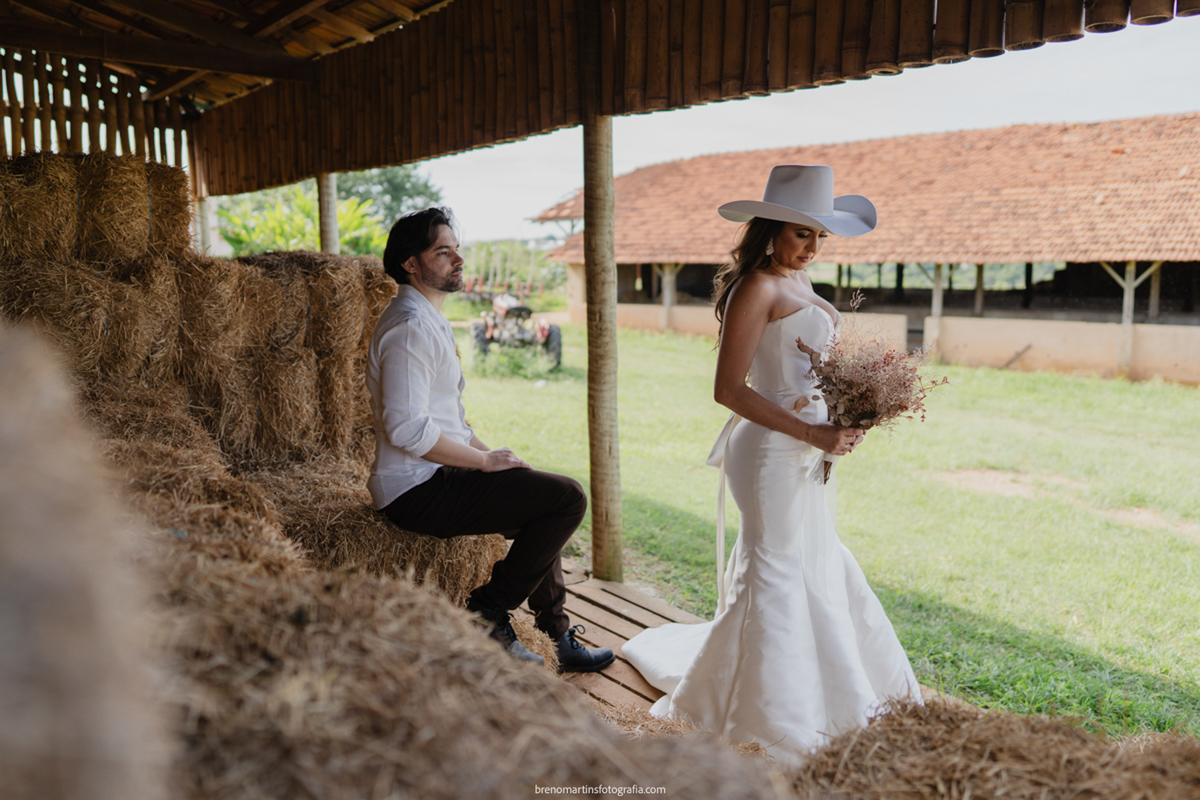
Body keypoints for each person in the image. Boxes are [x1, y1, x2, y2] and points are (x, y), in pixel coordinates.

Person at [622, 165, 921, 763]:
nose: (812, 247)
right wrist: (811, 429)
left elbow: (812, 372)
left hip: (809, 450)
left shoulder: (800, 281)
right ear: (770, 229)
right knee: (776, 566)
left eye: (819, 236)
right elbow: (729, 389)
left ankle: (826, 692)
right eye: (800, 233)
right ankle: (768, 716)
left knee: (813, 556)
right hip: (767, 453)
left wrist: (848, 415)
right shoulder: (757, 287)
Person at [367, 206, 614, 673]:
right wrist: (482, 464)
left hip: (438, 474)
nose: (458, 260)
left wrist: (492, 455)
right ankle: (487, 610)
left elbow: (450, 422)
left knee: (541, 495)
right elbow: (407, 429)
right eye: (443, 252)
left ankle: (555, 635)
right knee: (567, 499)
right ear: (410, 263)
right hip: (415, 491)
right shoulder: (409, 329)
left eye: (457, 250)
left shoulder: (428, 317)